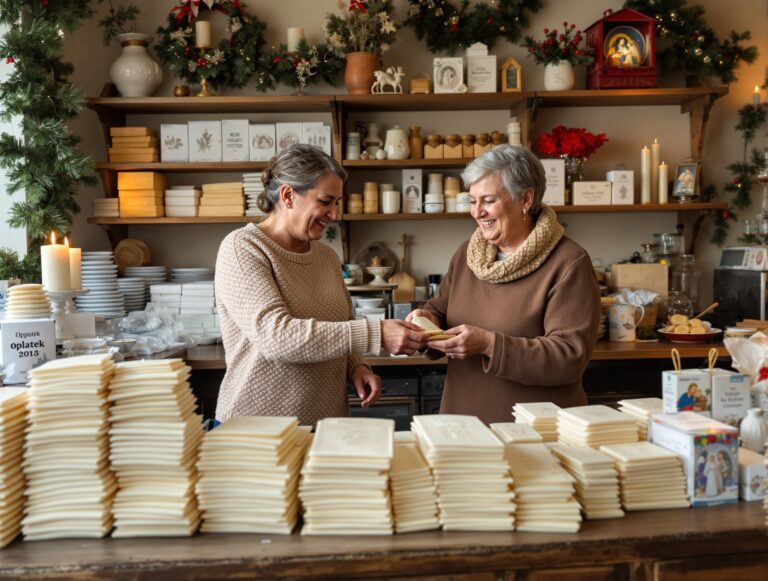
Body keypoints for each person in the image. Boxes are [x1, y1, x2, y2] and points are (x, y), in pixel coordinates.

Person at [215, 144, 428, 425]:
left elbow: (342, 321)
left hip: (327, 424)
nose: (335, 214)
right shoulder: (243, 249)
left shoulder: (326, 257)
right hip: (257, 429)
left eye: (337, 203)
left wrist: (357, 367)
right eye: (326, 201)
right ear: (288, 195)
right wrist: (376, 332)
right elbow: (277, 337)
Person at [407, 145, 600, 424]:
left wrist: (488, 344)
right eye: (472, 201)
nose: (477, 212)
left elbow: (569, 357)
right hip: (462, 425)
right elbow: (441, 309)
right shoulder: (467, 254)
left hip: (534, 431)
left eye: (487, 200)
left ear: (525, 199)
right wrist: (426, 318)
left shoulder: (569, 262)